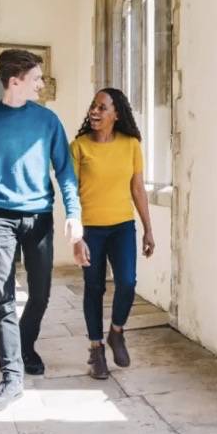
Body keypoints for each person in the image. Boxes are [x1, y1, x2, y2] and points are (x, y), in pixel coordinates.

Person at [0, 49, 83, 412]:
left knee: (41, 294)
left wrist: (74, 213)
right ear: (15, 81)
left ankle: (25, 344)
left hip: (39, 217)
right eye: (36, 78)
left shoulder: (47, 121)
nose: (42, 84)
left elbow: (65, 171)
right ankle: (11, 376)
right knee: (3, 298)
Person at [70, 88, 154, 379]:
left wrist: (148, 229)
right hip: (90, 230)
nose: (95, 111)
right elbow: (71, 193)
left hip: (122, 227)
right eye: (93, 106)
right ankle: (96, 350)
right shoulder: (79, 147)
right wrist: (77, 236)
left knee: (127, 282)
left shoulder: (131, 145)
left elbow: (137, 188)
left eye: (102, 107)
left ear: (116, 114)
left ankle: (116, 332)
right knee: (94, 288)